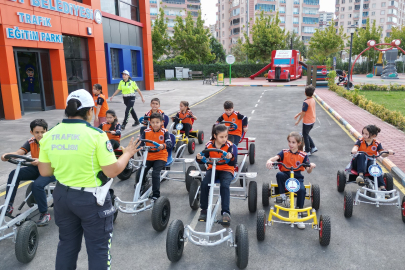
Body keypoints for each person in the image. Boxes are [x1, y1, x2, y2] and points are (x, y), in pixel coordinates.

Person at [38, 89, 141, 270]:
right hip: (91, 200)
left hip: (62, 196)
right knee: (98, 250)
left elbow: (45, 171)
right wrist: (128, 154)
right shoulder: (96, 135)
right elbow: (112, 171)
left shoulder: (49, 134)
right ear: (89, 111)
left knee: (66, 245)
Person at [1, 119, 55, 226]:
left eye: (42, 132)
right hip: (36, 169)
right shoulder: (31, 142)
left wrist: (40, 160)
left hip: (51, 169)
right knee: (13, 174)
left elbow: (56, 157)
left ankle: (44, 213)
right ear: (32, 132)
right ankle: (9, 205)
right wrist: (6, 155)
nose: (40, 135)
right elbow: (18, 153)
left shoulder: (52, 142)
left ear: (46, 131)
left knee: (37, 185)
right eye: (37, 132)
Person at [265, 132, 316, 230]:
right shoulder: (284, 152)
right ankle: (283, 196)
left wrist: (311, 166)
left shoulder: (303, 155)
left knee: (301, 190)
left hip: (297, 177)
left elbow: (308, 171)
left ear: (299, 143)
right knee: (279, 174)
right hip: (286, 175)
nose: (291, 144)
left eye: (293, 142)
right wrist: (270, 161)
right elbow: (275, 158)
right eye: (289, 142)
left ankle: (299, 213)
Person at [196, 124, 236, 227]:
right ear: (215, 136)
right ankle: (204, 210)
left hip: (226, 169)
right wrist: (199, 157)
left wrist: (230, 156)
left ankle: (225, 212)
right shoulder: (209, 145)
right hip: (213, 168)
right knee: (204, 184)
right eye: (221, 137)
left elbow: (233, 162)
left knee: (224, 186)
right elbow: (202, 157)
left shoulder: (229, 145)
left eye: (226, 136)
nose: (224, 139)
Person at [351, 125, 394, 198]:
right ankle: (361, 176)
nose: (364, 135)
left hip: (369, 164)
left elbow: (382, 154)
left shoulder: (377, 143)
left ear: (373, 135)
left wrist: (387, 153)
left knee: (376, 167)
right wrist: (354, 150)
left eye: (366, 134)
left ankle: (383, 188)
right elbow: (355, 147)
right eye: (363, 133)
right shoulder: (360, 141)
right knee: (362, 155)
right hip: (358, 163)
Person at [137, 112, 172, 199]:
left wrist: (163, 145)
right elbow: (141, 141)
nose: (155, 124)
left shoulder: (165, 132)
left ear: (161, 122)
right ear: (150, 122)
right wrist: (139, 145)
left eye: (157, 122)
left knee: (155, 174)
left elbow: (169, 143)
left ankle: (156, 194)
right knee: (140, 172)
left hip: (160, 156)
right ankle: (140, 187)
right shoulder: (146, 131)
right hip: (148, 156)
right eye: (153, 122)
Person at [294, 85, 317, 156]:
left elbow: (304, 113)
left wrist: (298, 121)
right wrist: (298, 114)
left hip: (307, 122)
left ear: (305, 93)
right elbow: (305, 110)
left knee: (305, 135)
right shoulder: (312, 100)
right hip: (312, 120)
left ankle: (307, 151)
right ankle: (313, 147)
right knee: (306, 134)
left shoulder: (306, 102)